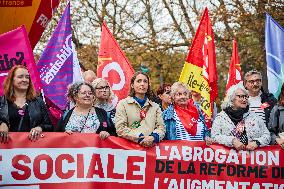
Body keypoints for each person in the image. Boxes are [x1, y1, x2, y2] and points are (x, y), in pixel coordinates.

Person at [0, 65, 53, 143]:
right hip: (7, 151)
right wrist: (1, 124)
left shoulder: (38, 102)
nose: (24, 80)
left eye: (27, 77)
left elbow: (50, 126)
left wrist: (40, 128)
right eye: (20, 77)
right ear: (12, 80)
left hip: (31, 150)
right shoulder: (2, 102)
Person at [211, 84, 271, 151]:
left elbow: (267, 136)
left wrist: (257, 142)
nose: (245, 99)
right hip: (229, 159)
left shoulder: (254, 117)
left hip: (252, 159)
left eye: (246, 97)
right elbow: (214, 136)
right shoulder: (221, 117)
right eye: (241, 96)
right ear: (232, 98)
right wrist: (232, 141)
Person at [115, 71, 165, 147]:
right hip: (130, 149)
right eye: (139, 81)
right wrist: (140, 137)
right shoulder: (123, 104)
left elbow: (161, 127)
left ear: (148, 85)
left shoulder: (155, 107)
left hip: (152, 150)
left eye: (145, 81)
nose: (142, 84)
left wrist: (153, 137)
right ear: (132, 85)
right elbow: (120, 128)